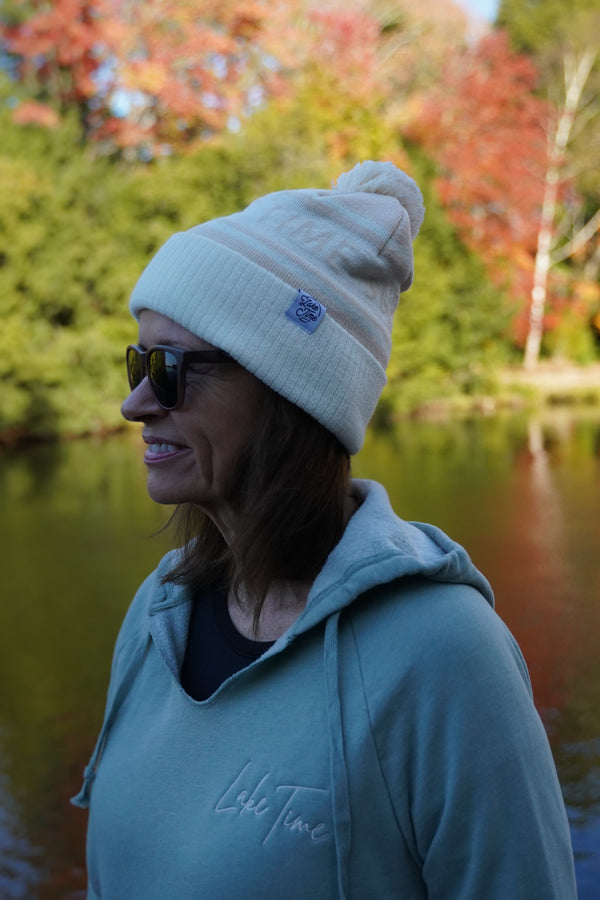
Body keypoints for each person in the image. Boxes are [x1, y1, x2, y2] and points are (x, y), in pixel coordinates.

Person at [73, 161, 577, 899]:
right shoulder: (156, 615)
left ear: (286, 392)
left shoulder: (444, 654)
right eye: (138, 363)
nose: (137, 403)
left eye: (172, 369)